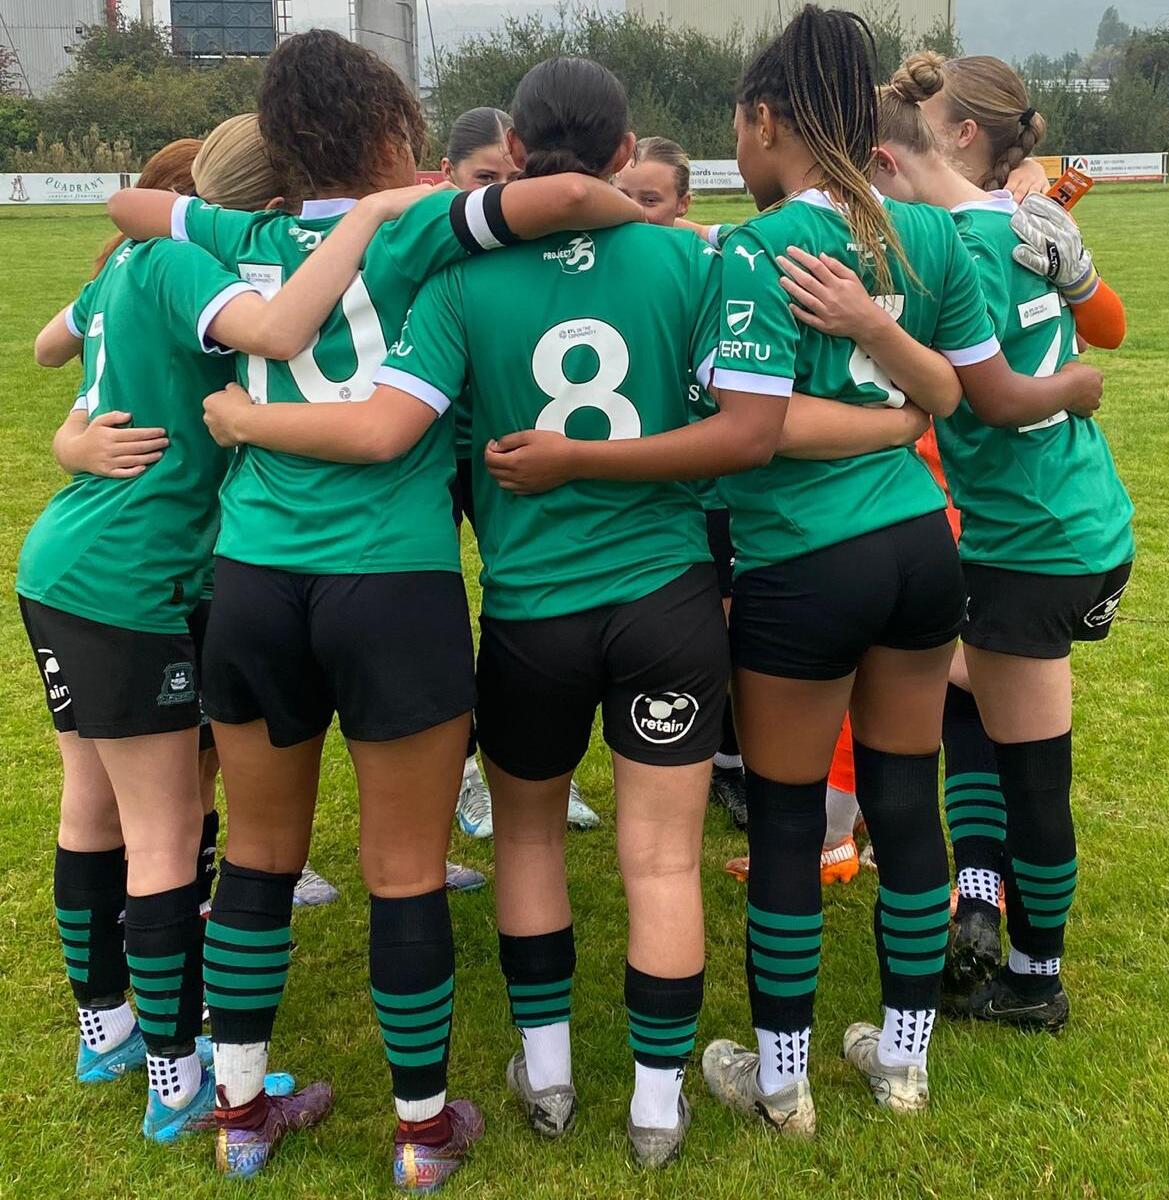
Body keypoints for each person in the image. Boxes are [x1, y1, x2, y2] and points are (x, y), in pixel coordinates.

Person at [488, 6, 1101, 1130]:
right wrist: (887, 377)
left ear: (768, 119)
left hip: (803, 566)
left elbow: (751, 432)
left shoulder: (758, 253)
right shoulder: (925, 236)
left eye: (741, 122)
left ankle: (782, 1080)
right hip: (921, 548)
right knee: (906, 802)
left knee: (783, 815)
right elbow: (955, 396)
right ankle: (903, 1063)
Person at [202, 54, 784, 1169]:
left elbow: (405, 417)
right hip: (656, 596)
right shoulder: (684, 257)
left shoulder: (438, 281)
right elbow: (732, 417)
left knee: (505, 838)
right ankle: (646, 1109)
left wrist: (234, 418)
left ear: (509, 152)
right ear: (626, 157)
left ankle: (543, 1078)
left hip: (505, 608)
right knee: (654, 859)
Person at [109, 31, 645, 1187]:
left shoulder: (243, 234)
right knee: (404, 868)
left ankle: (242, 1115)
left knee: (253, 858)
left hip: (254, 577)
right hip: (390, 581)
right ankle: (420, 1131)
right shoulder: (414, 222)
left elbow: (132, 208)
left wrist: (193, 216)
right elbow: (559, 195)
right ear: (394, 122)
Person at [24, 124, 427, 1144]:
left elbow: (49, 345)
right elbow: (283, 332)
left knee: (93, 807)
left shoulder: (128, 264)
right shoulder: (190, 266)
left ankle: (105, 1027)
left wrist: (77, 430)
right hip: (136, 578)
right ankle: (177, 1084)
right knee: (163, 831)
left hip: (67, 562)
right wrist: (373, 215)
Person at [878, 51, 1134, 1029]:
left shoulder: (951, 248)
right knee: (978, 700)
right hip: (1079, 518)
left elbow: (987, 396)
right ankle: (993, 909)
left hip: (1028, 540)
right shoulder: (1009, 223)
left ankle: (1035, 977)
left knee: (1033, 768)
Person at [440, 105, 601, 843]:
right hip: (444, 455)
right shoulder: (442, 248)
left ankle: (540, 775)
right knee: (442, 611)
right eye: (487, 183)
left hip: (523, 450)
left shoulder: (545, 257)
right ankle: (467, 773)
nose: (510, 200)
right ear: (449, 180)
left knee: (536, 595)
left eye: (514, 182)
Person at [617, 136, 748, 830]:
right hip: (649, 498)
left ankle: (728, 764)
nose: (637, 213)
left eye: (653, 200)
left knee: (724, 633)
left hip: (715, 491)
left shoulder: (715, 267)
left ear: (683, 203)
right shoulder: (607, 272)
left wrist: (709, 235)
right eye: (626, 196)